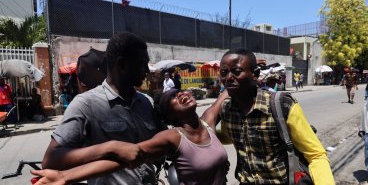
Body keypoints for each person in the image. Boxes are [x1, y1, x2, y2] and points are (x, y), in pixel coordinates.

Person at [40, 32, 166, 185]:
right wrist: (110, 148)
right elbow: (51, 160)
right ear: (121, 64)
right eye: (141, 64)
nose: (146, 71)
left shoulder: (146, 102)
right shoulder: (85, 104)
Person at [32, 89, 230, 185]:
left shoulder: (208, 123)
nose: (181, 95)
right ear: (169, 116)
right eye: (172, 99)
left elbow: (225, 94)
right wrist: (65, 177)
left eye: (180, 92)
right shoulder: (173, 137)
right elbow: (128, 158)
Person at [215, 48, 334, 184]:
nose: (229, 77)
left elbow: (316, 155)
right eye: (224, 72)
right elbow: (228, 135)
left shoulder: (282, 104)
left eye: (236, 71)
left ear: (255, 74)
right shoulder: (226, 109)